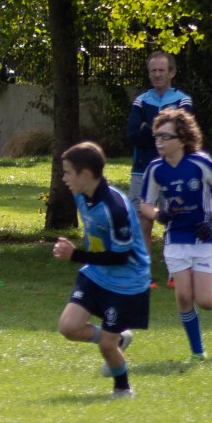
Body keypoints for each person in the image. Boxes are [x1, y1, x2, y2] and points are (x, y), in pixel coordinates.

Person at [52, 142, 151, 399]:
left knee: (106, 345)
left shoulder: (115, 208)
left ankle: (123, 389)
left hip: (127, 281)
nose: (64, 178)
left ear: (85, 174)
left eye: (68, 172)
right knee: (69, 327)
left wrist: (74, 255)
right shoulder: (80, 194)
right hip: (97, 272)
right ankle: (120, 340)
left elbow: (120, 256)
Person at [141, 109, 212, 361]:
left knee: (204, 300)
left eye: (166, 136)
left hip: (205, 236)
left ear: (183, 139)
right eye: (157, 136)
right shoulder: (155, 169)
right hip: (176, 237)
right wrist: (157, 214)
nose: (159, 141)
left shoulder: (199, 163)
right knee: (184, 297)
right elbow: (145, 205)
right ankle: (197, 353)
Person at [126, 51, 193, 278]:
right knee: (142, 222)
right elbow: (133, 135)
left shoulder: (182, 100)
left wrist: (147, 128)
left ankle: (175, 274)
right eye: (153, 70)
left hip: (173, 170)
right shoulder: (141, 100)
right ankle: (144, 275)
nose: (157, 74)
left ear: (171, 73)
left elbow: (182, 134)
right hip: (142, 170)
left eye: (161, 70)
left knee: (174, 220)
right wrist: (164, 133)